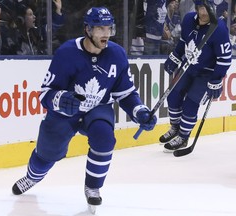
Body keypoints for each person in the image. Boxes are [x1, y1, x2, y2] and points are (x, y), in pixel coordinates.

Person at [11, 6, 157, 208]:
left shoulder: (117, 55)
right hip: (65, 113)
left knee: (104, 137)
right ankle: (32, 176)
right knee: (46, 154)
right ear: (88, 30)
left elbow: (125, 93)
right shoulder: (67, 53)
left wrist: (139, 111)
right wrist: (61, 99)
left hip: (98, 108)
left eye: (109, 28)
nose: (106, 34)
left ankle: (93, 187)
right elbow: (45, 94)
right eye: (100, 29)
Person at [159, 0, 232, 152]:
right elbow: (184, 41)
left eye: (207, 9)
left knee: (190, 104)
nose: (203, 13)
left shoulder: (219, 29)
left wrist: (216, 79)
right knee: (173, 96)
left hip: (207, 73)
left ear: (213, 9)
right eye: (200, 8)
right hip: (188, 67)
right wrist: (175, 56)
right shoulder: (188, 20)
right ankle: (176, 128)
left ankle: (184, 136)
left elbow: (224, 58)